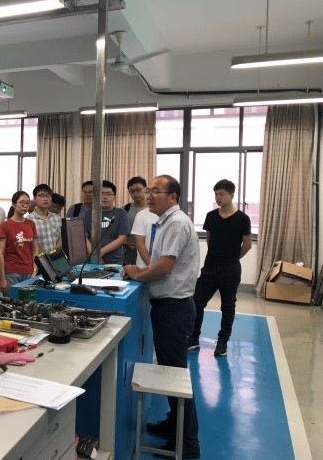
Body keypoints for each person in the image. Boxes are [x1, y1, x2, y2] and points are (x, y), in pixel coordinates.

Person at [121, 175, 200, 458]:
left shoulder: (176, 223)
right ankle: (174, 423)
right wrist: (142, 271)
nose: (149, 195)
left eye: (156, 191)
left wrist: (137, 275)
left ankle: (189, 442)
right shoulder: (164, 222)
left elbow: (165, 267)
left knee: (175, 374)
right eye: (149, 191)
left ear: (173, 197)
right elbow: (161, 264)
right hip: (168, 306)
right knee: (169, 371)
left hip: (174, 308)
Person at [189, 179, 252, 357]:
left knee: (228, 306)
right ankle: (193, 338)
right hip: (210, 268)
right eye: (216, 194)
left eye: (221, 194)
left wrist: (232, 258)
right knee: (196, 301)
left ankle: (222, 341)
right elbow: (210, 240)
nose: (218, 197)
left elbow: (247, 245)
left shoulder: (242, 219)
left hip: (230, 270)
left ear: (231, 194)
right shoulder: (211, 216)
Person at [0, 191, 41, 293]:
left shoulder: (31, 224)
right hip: (11, 272)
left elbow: (35, 250)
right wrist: (2, 278)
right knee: (12, 301)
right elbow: (0, 253)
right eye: (22, 202)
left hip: (29, 272)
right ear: (13, 204)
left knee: (28, 301)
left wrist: (35, 271)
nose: (25, 206)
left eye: (27, 203)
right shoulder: (5, 225)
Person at [83, 180, 129, 265]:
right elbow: (84, 237)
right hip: (91, 260)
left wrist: (100, 252)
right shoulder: (88, 214)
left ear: (114, 197)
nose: (104, 197)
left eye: (108, 194)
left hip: (114, 261)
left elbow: (122, 238)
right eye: (102, 194)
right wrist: (94, 254)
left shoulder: (121, 213)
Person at [27, 184, 61, 254]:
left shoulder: (57, 217)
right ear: (34, 198)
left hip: (57, 256)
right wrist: (45, 257)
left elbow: (61, 238)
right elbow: (33, 243)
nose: (45, 199)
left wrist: (55, 254)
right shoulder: (29, 220)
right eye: (41, 195)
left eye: (48, 195)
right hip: (38, 258)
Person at [123, 176, 149, 265]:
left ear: (146, 189)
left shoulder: (155, 210)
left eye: (138, 190)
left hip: (150, 254)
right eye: (132, 191)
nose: (135, 193)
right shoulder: (124, 210)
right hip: (129, 256)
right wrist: (124, 242)